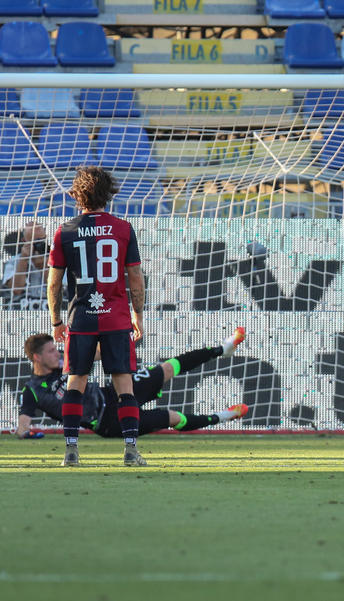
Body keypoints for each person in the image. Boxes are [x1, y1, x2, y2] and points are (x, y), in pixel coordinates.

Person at [47, 166, 147, 467]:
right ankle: (130, 450)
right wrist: (138, 314)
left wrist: (56, 321)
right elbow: (135, 277)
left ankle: (71, 451)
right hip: (116, 318)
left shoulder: (65, 231)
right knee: (123, 384)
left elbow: (54, 283)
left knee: (76, 381)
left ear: (77, 195)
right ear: (109, 193)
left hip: (82, 319)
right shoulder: (123, 228)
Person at [16, 329, 248, 441]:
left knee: (166, 369)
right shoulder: (32, 390)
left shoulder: (67, 361)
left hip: (114, 392)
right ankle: (223, 416)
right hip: (108, 422)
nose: (56, 353)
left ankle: (222, 350)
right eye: (50, 351)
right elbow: (22, 425)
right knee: (172, 417)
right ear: (37, 357)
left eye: (55, 349)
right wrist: (26, 433)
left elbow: (98, 354)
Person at [1, 221, 49, 310]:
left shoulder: (56, 259)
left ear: (45, 237)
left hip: (49, 311)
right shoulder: (13, 261)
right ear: (24, 240)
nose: (34, 226)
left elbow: (59, 288)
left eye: (39, 241)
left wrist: (44, 267)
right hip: (20, 310)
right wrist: (23, 259)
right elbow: (16, 290)